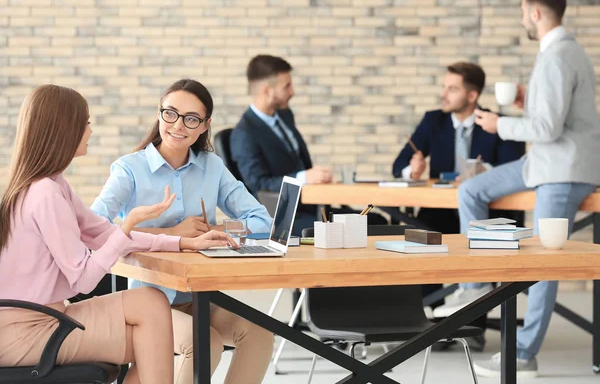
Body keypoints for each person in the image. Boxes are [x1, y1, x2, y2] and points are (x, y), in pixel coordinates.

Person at [0, 84, 235, 384]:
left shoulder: (54, 184)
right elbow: (83, 279)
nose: (90, 131)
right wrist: (127, 228)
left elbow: (102, 233)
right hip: (27, 333)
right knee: (150, 331)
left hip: (45, 318)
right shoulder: (45, 194)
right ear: (64, 129)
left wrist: (183, 241)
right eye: (85, 123)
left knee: (150, 303)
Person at [435, 0, 600, 378]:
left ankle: (523, 355)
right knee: (473, 189)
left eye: (524, 12)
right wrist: (528, 104)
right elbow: (552, 117)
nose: (522, 19)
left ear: (536, 13)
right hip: (542, 163)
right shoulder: (560, 53)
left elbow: (545, 128)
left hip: (562, 170)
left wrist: (498, 124)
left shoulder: (559, 56)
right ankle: (474, 288)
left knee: (545, 259)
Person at [91, 79, 274, 384]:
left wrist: (213, 229)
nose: (178, 125)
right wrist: (175, 235)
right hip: (145, 300)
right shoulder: (129, 169)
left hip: (196, 295)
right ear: (159, 114)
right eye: (170, 114)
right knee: (206, 343)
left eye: (191, 119)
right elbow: (96, 228)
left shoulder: (212, 167)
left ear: (205, 126)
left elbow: (261, 221)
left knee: (259, 334)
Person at [231, 54, 386, 236]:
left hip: (314, 206)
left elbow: (301, 163)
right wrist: (303, 177)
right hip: (285, 217)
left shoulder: (284, 116)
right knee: (372, 226)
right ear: (267, 91)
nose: (292, 91)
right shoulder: (244, 133)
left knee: (377, 221)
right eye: (286, 86)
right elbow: (259, 183)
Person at [392, 62, 525, 234]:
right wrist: (412, 171)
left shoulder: (498, 124)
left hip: (489, 213)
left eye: (452, 89)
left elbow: (516, 169)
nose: (443, 94)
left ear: (472, 96)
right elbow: (398, 165)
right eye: (444, 87)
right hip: (438, 213)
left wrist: (485, 172)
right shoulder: (433, 121)